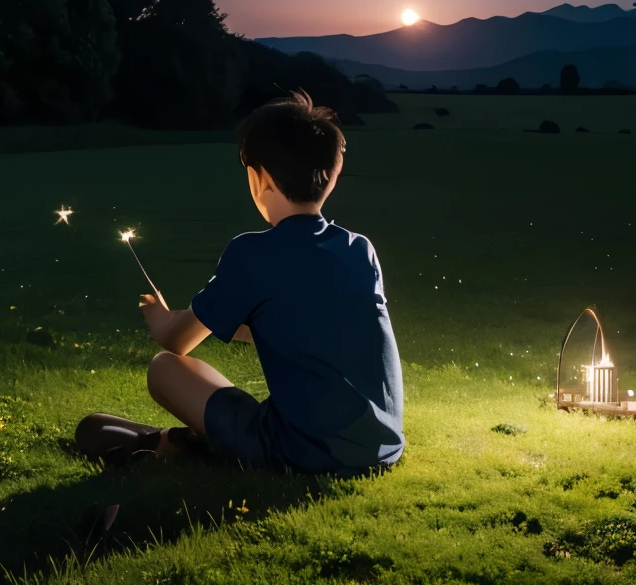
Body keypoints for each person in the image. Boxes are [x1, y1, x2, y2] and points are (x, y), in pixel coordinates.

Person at [75, 91, 404, 475]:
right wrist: (244, 326)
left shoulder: (252, 253)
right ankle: (192, 441)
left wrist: (158, 315)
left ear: (257, 176)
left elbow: (177, 339)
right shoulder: (359, 250)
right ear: (331, 176)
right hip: (381, 448)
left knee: (165, 367)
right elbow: (312, 324)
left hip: (300, 453)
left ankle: (189, 443)